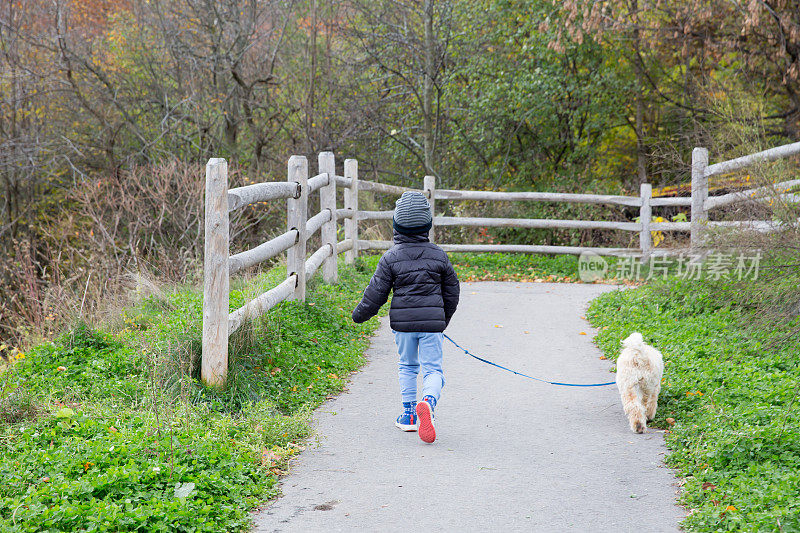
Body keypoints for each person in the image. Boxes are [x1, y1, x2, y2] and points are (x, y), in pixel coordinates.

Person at [352, 191, 460, 444]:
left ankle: (410, 416)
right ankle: (429, 403)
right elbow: (452, 290)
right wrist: (443, 318)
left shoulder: (390, 257)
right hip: (432, 323)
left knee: (407, 366)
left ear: (396, 225)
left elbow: (375, 293)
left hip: (403, 326)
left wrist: (360, 315)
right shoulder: (438, 255)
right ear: (428, 224)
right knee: (433, 369)